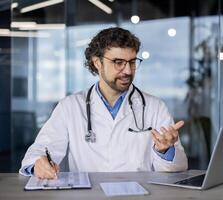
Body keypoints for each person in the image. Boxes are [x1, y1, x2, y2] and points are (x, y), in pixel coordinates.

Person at [19, 27, 188, 179]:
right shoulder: (70, 107)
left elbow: (177, 167)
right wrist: (38, 165)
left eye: (132, 62)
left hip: (139, 195)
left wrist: (165, 150)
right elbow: (42, 148)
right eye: (118, 62)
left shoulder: (154, 107)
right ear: (97, 62)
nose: (128, 70)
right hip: (87, 195)